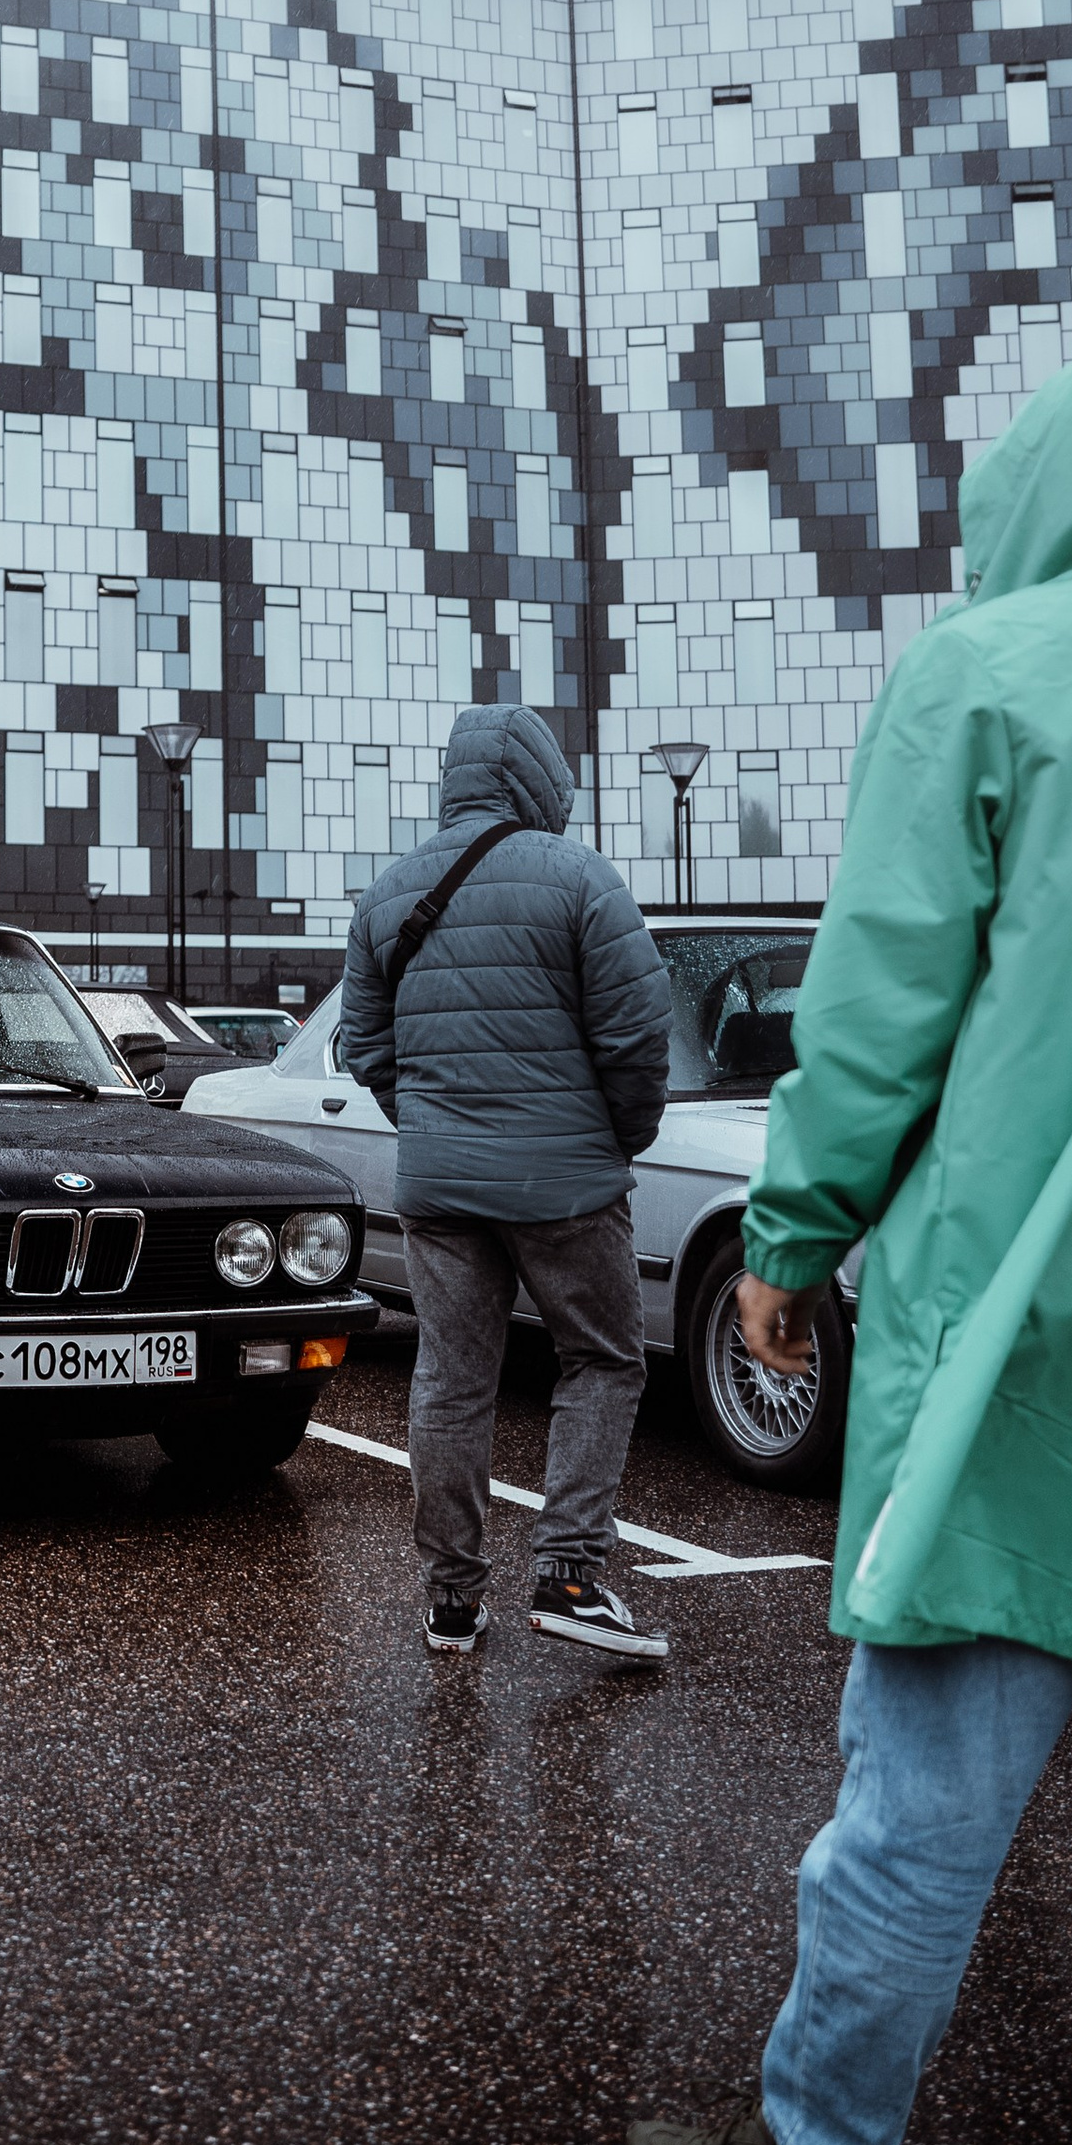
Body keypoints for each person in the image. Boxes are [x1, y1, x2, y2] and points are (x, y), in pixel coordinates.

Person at [628, 347, 1072, 2145]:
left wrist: (791, 1238)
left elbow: (879, 1005)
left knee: (923, 1789)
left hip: (1032, 1316)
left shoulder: (990, 674)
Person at [341, 701, 674, 1662]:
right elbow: (636, 1034)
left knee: (450, 1380)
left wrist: (437, 1129)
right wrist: (619, 1136)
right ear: (540, 778)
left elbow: (365, 1044)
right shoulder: (581, 880)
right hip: (566, 1185)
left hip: (440, 1190)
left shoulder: (388, 895)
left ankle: (452, 1600)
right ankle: (570, 1575)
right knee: (604, 1360)